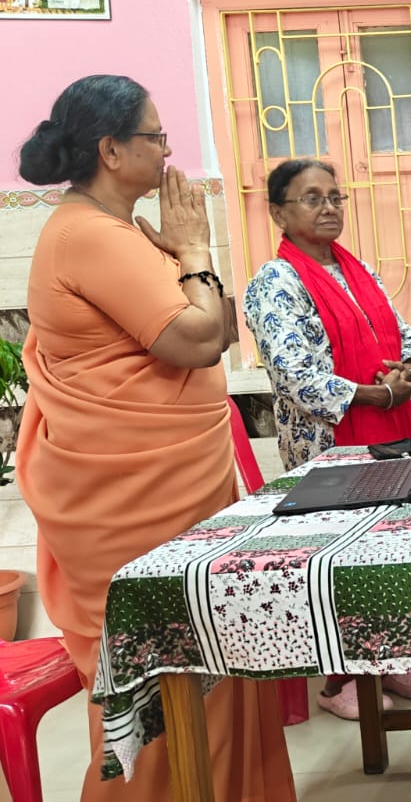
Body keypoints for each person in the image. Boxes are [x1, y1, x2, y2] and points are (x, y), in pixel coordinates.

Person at [15, 75, 296, 800]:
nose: (168, 151)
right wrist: (196, 247)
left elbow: (217, 325)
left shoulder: (121, 232)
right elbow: (197, 340)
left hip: (166, 482)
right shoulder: (87, 235)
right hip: (130, 497)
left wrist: (190, 256)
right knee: (166, 685)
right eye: (156, 136)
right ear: (111, 150)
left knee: (208, 669)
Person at [242, 158, 411, 718]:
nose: (328, 207)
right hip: (331, 441)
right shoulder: (274, 282)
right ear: (278, 212)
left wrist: (408, 372)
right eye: (312, 198)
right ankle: (339, 680)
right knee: (342, 557)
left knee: (392, 547)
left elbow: (402, 335)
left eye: (335, 196)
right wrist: (373, 394)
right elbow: (293, 374)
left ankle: (392, 656)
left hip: (391, 427)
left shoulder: (358, 270)